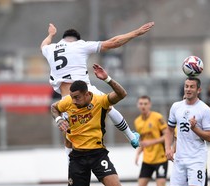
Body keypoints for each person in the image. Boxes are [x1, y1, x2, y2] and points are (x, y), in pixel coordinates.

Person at [51, 63, 166, 186]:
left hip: (97, 154)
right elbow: (54, 107)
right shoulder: (68, 102)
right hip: (77, 157)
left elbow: (122, 94)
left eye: (78, 97)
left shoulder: (100, 101)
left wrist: (107, 79)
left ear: (87, 94)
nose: (74, 101)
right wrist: (58, 119)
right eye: (72, 97)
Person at [41, 22, 155, 153]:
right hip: (86, 91)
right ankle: (131, 137)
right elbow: (113, 42)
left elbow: (43, 45)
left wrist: (50, 34)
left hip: (67, 98)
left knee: (69, 138)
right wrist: (136, 33)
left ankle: (70, 170)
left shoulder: (50, 49)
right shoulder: (80, 45)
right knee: (109, 106)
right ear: (77, 39)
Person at [134, 95, 170, 186]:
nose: (143, 106)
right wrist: (138, 153)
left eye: (145, 103)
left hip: (160, 158)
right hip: (147, 159)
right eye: (141, 103)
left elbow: (167, 135)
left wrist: (152, 142)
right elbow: (142, 140)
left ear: (150, 105)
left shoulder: (157, 117)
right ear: (138, 105)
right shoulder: (138, 121)